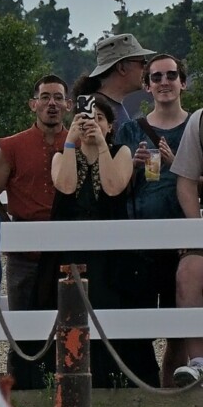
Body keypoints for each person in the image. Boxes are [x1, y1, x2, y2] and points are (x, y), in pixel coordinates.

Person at [0, 76, 69, 389]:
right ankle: (22, 388)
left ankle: (65, 386)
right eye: (45, 97)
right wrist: (11, 229)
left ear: (68, 105)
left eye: (58, 97)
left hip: (68, 250)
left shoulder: (78, 143)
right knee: (23, 323)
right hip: (25, 253)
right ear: (33, 104)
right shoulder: (12, 146)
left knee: (68, 322)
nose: (52, 103)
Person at [48, 94, 139, 388]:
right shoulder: (61, 156)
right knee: (70, 315)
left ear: (110, 126)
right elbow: (66, 187)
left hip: (110, 255)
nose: (91, 124)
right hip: (70, 252)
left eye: (99, 118)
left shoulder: (121, 152)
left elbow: (113, 188)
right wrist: (71, 142)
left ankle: (110, 380)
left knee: (109, 312)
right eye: (85, 118)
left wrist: (100, 145)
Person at [114, 55, 189, 384]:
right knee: (137, 322)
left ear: (182, 83)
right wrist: (132, 166)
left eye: (171, 75)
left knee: (180, 325)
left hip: (184, 242)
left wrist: (178, 167)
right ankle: (141, 389)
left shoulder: (196, 128)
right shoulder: (131, 129)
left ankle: (172, 387)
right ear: (146, 87)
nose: (164, 82)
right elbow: (114, 186)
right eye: (156, 77)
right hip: (139, 240)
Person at [170, 101, 203, 385]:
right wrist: (197, 234)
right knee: (189, 271)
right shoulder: (199, 121)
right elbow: (186, 182)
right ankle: (198, 362)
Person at [81, 31, 155, 129]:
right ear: (121, 68)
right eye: (142, 63)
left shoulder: (108, 105)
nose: (145, 68)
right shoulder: (92, 108)